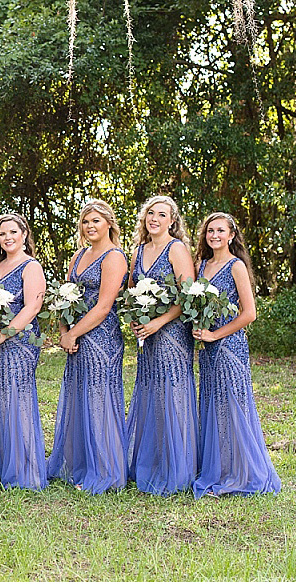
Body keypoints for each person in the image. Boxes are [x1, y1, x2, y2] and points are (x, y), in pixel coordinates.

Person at [191, 212, 281, 498]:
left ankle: (242, 473)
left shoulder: (236, 266)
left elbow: (249, 313)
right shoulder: (200, 265)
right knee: (212, 406)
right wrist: (199, 327)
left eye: (220, 231)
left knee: (233, 407)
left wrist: (216, 334)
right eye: (209, 231)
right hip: (207, 350)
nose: (214, 235)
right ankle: (218, 468)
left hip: (230, 347)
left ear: (231, 235)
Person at [46, 200, 128, 494]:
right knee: (79, 396)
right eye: (85, 222)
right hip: (77, 337)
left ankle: (105, 471)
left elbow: (105, 306)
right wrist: (64, 331)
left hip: (101, 338)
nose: (90, 226)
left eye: (96, 221)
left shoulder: (114, 257)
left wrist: (74, 334)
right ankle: (77, 464)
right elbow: (65, 298)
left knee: (99, 399)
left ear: (109, 223)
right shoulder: (78, 256)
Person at [124, 196, 198, 496]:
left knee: (171, 393)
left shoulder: (176, 249)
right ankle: (151, 461)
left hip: (172, 334)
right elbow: (131, 289)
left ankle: (175, 467)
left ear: (172, 221)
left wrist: (159, 322)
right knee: (151, 392)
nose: (154, 218)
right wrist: (135, 317)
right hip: (147, 336)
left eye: (162, 214)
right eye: (150, 213)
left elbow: (188, 294)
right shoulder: (139, 250)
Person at [0, 214, 47, 490]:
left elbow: (32, 307)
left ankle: (22, 467)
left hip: (19, 340)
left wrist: (2, 335)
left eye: (13, 232)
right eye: (3, 234)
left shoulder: (31, 266)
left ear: (24, 234)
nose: (8, 237)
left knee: (15, 396)